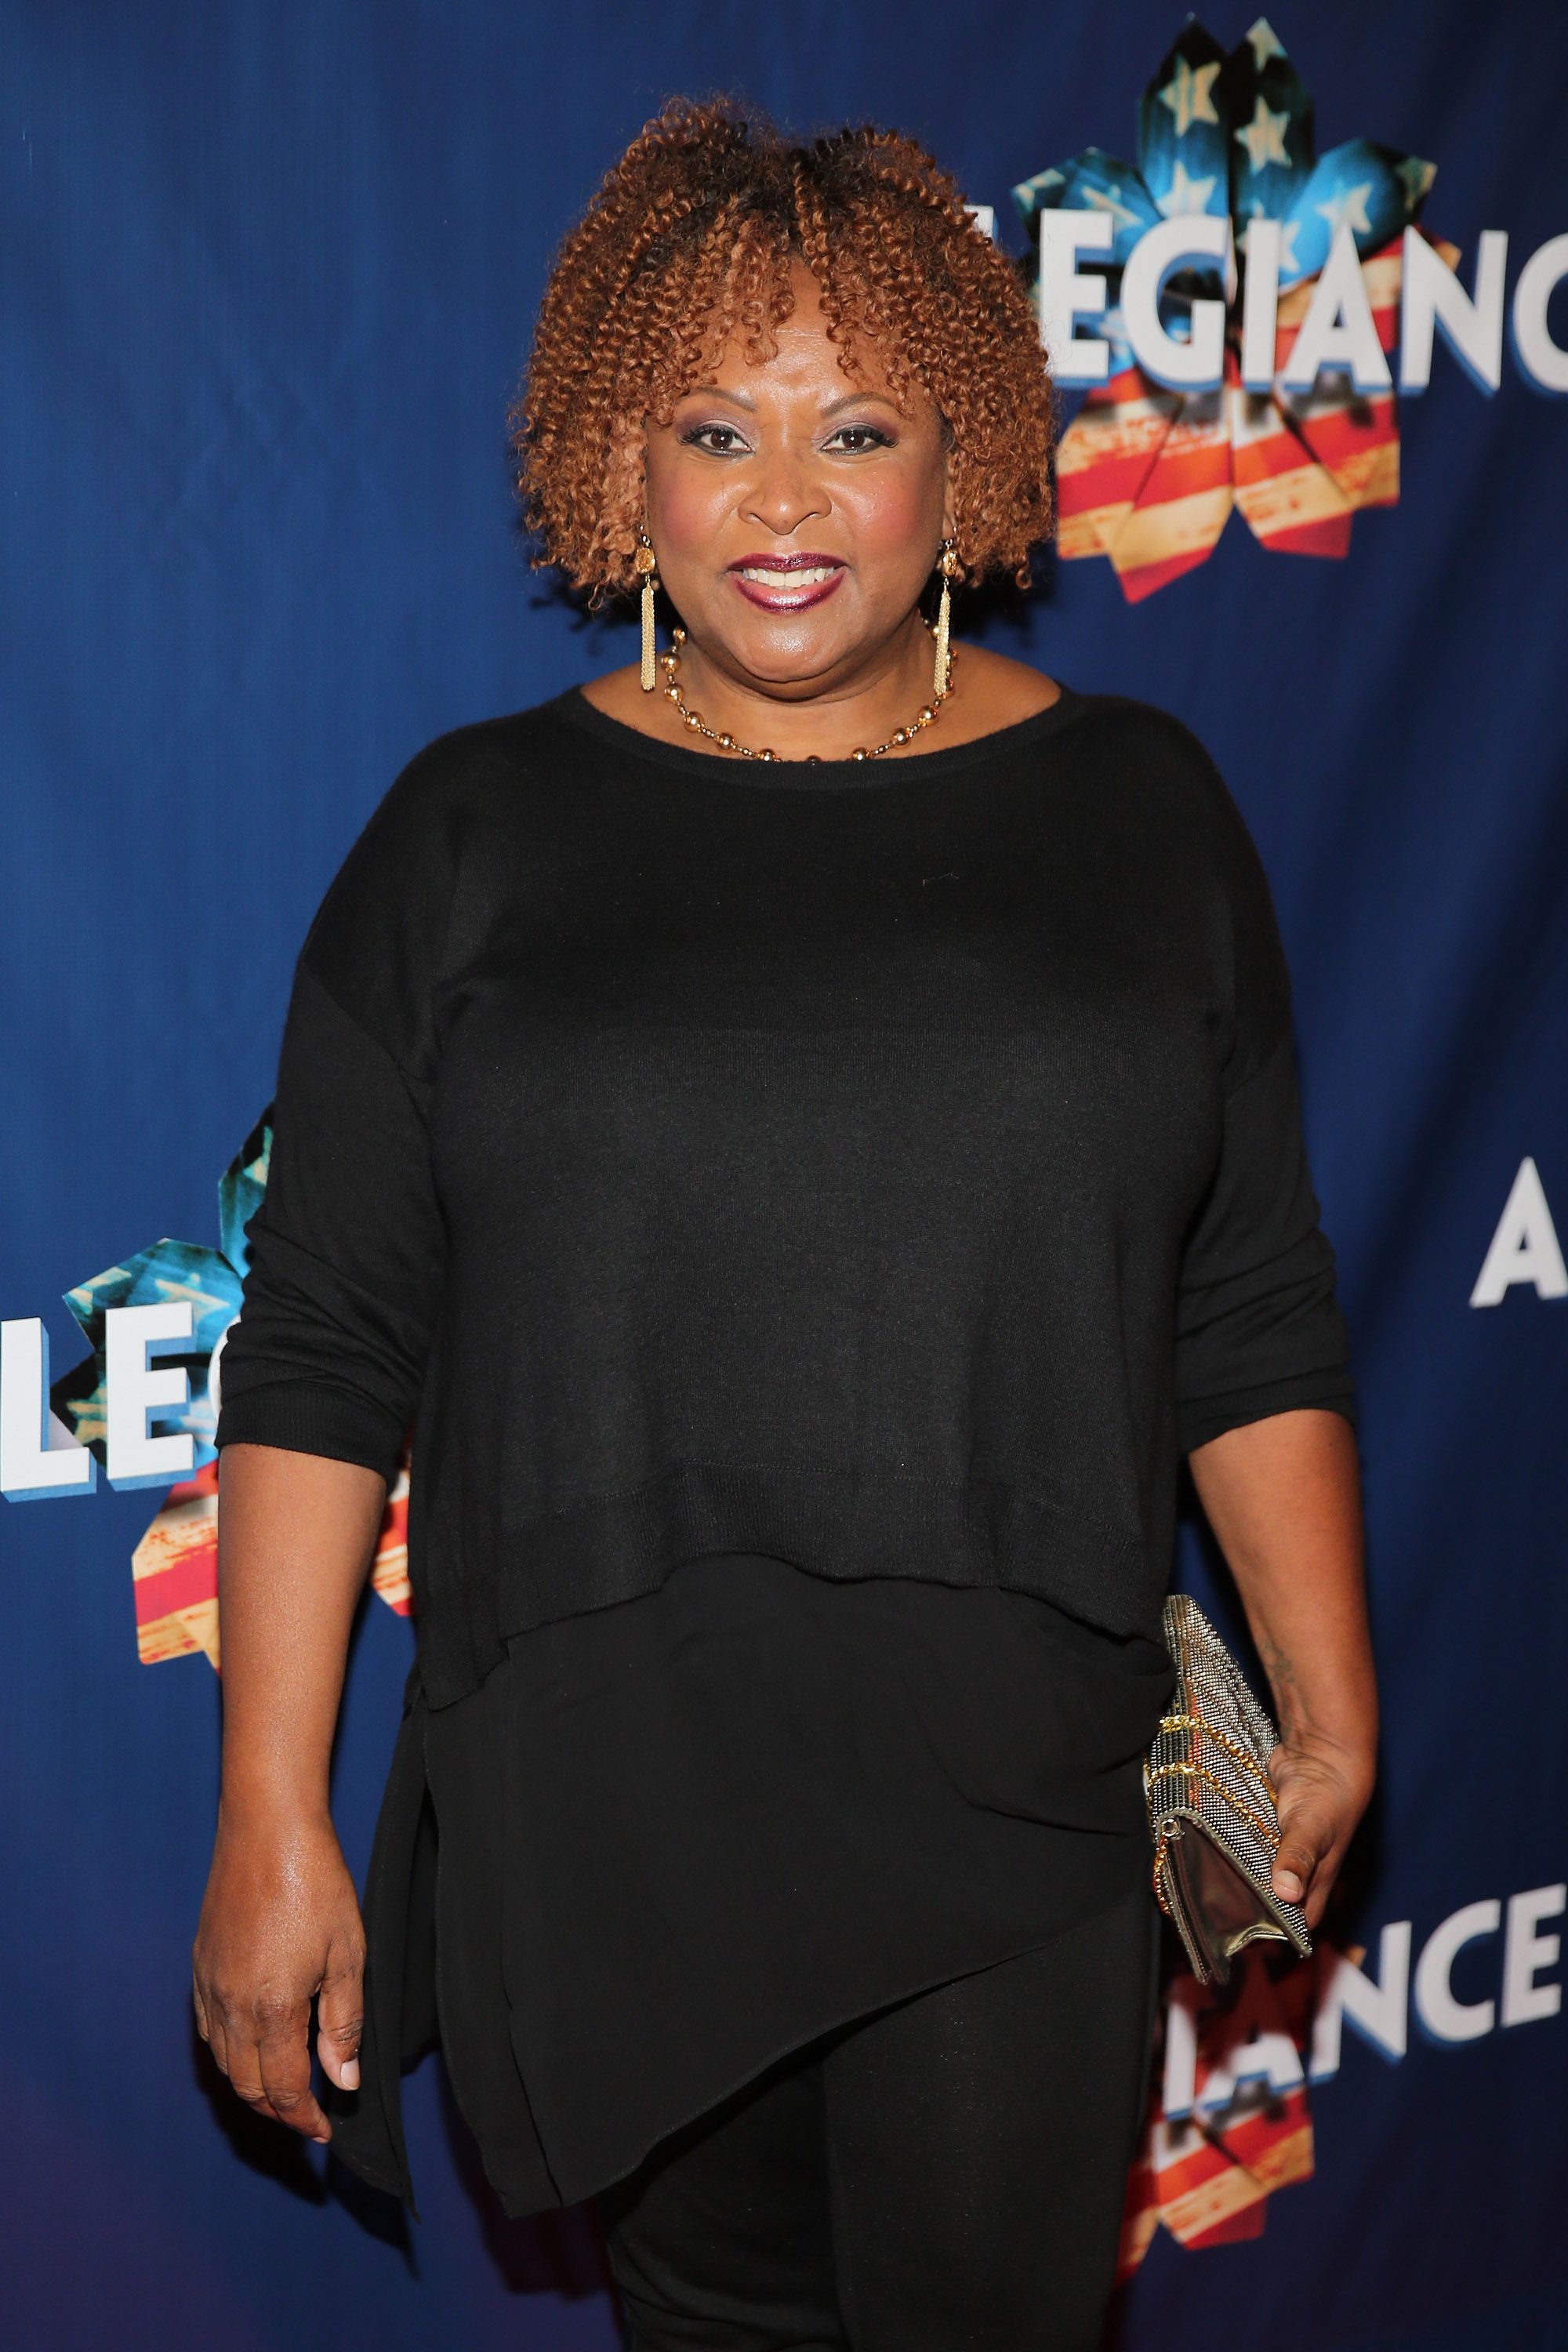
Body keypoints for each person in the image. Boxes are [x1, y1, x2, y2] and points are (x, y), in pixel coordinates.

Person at [193, 97, 1377, 2352]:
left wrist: (1324, 1692)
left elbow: (1244, 1297)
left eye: (860, 426)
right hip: (613, 1793)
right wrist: (274, 1815)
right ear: (610, 464)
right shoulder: (464, 841)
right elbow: (330, 1338)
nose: (786, 502)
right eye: (713, 428)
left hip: (1018, 1781)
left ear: (973, 458)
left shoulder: (1140, 814)